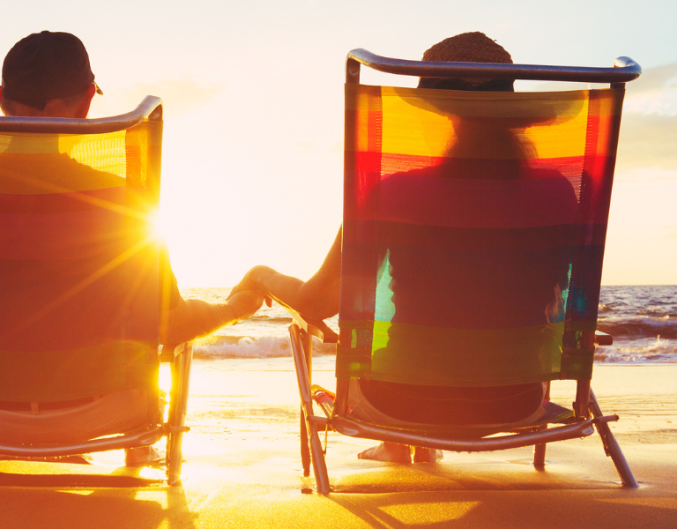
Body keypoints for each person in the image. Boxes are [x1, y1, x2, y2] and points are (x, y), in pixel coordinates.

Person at [231, 32, 576, 464]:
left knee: (398, 348)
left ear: (441, 114)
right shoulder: (559, 193)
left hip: (398, 401)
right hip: (517, 399)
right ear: (510, 112)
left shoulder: (395, 193)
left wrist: (261, 275)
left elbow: (316, 303)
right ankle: (409, 445)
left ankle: (398, 440)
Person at [0, 31, 264, 464]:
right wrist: (231, 308)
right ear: (82, 103)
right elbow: (168, 325)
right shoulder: (121, 201)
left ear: (1, 98)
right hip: (96, 416)